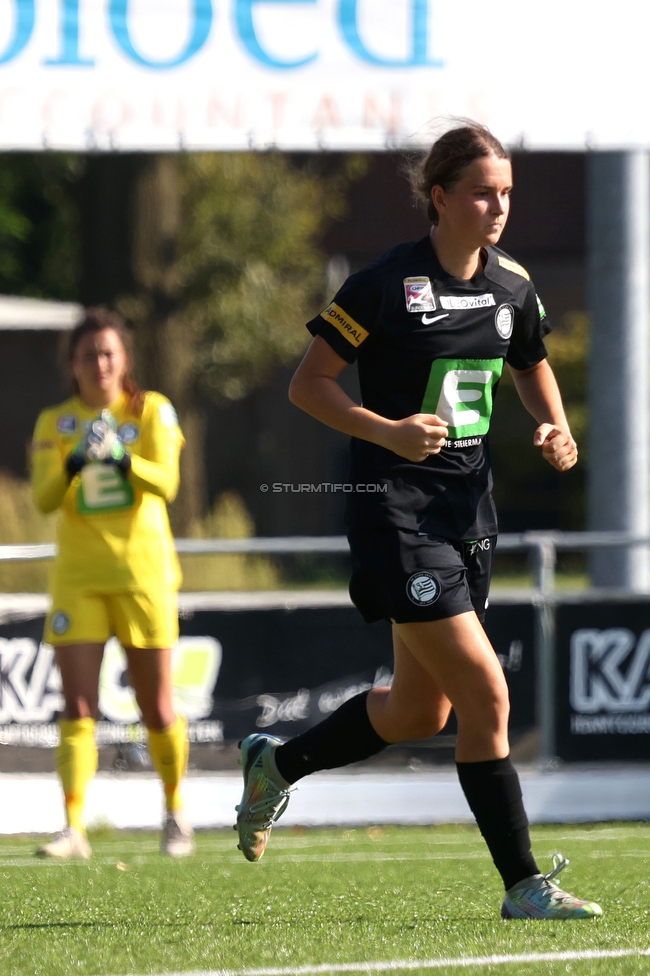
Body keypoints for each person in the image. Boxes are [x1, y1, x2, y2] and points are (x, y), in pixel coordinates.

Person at [235, 121, 601, 919]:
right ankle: (523, 885)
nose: (498, 206)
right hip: (396, 515)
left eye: (506, 192)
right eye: (481, 192)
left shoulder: (512, 284)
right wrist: (388, 430)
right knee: (486, 694)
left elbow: (530, 359)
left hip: (469, 513)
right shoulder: (383, 285)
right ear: (439, 198)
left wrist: (555, 425)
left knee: (416, 711)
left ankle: (276, 766)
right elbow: (310, 385)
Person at [31, 307, 194, 859]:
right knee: (77, 707)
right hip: (78, 578)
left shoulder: (153, 410)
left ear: (124, 359)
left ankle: (175, 816)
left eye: (108, 353)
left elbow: (167, 484)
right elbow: (45, 498)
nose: (99, 364)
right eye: (87, 355)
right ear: (72, 365)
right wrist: (76, 460)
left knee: (156, 707)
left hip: (143, 575)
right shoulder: (55, 421)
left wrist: (124, 459)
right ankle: (73, 829)